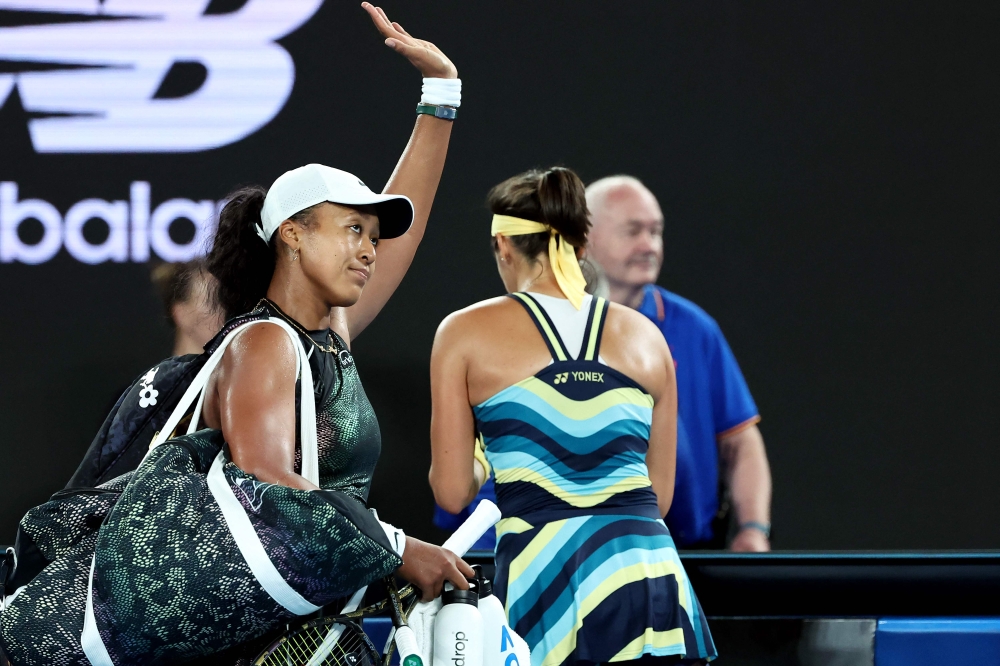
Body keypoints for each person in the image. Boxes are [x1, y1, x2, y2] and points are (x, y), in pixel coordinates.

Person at [428, 167, 716, 666]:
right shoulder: (647, 336)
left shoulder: (464, 333)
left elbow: (453, 493)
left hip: (547, 581)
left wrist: (483, 453)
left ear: (503, 244)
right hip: (650, 577)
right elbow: (658, 496)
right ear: (582, 245)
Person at [585, 175, 772, 552]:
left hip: (687, 551)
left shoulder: (695, 328)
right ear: (583, 237)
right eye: (633, 231)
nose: (648, 245)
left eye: (656, 232)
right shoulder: (548, 326)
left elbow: (741, 441)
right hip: (585, 548)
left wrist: (753, 528)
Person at [151, 260, 225, 356]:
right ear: (181, 314)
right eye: (210, 303)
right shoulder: (162, 371)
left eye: (222, 302)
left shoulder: (239, 369)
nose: (222, 312)